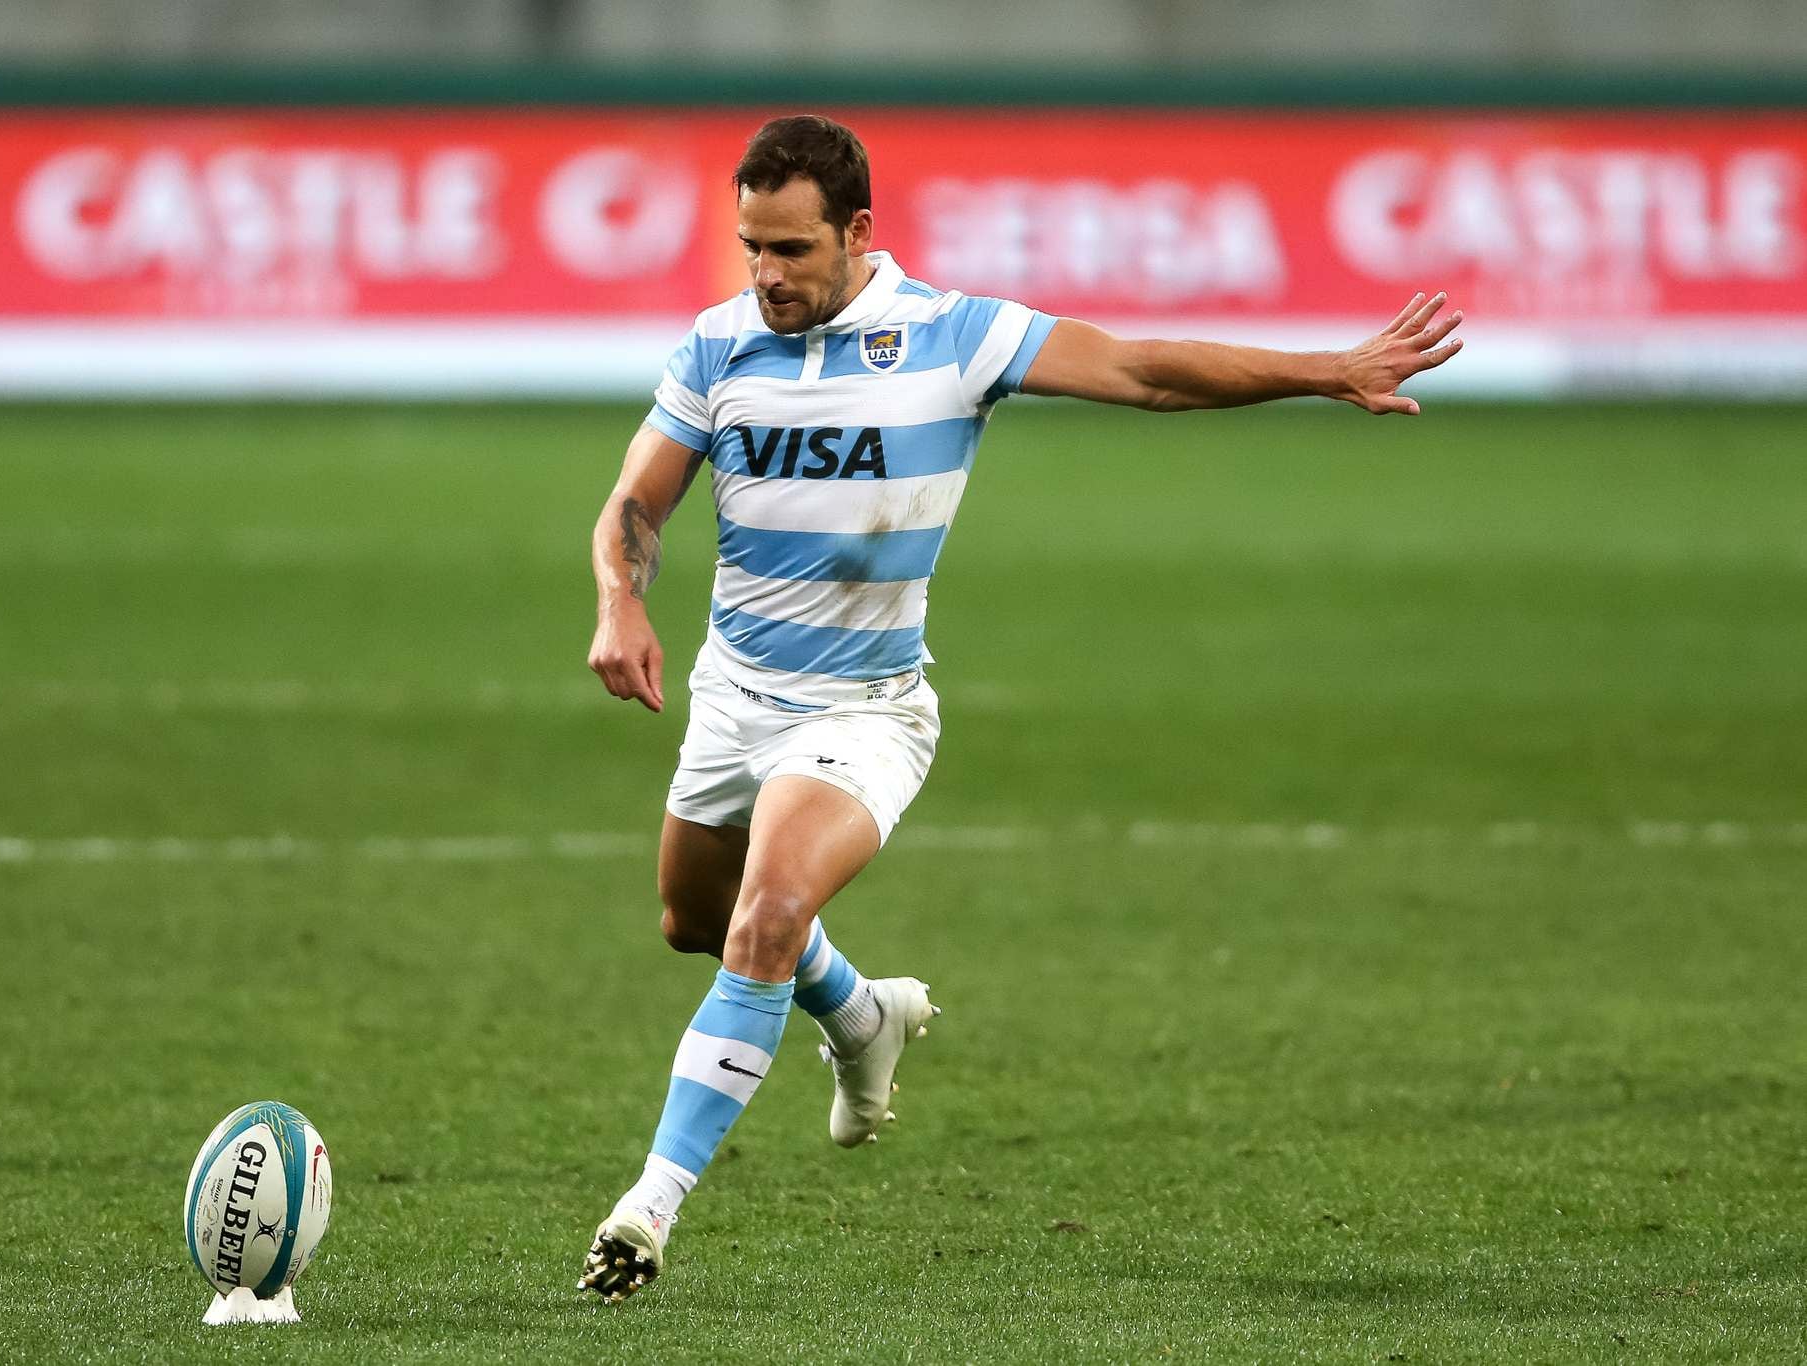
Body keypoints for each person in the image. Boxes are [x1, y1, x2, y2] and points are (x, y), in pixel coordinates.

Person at [579, 114, 1463, 1301]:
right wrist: (618, 602)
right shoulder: (717, 345)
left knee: (765, 914)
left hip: (866, 710)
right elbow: (636, 500)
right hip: (734, 697)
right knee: (695, 919)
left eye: (791, 249)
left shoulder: (952, 337)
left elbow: (1144, 370)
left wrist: (1325, 369)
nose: (767, 274)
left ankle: (649, 1207)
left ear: (856, 232)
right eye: (750, 247)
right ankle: (861, 1016)